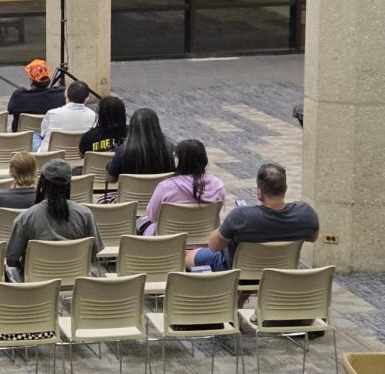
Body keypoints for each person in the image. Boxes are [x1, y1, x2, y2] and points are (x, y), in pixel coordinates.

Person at [187, 162, 318, 271]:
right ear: (285, 189)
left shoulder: (240, 217)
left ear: (259, 192)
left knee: (187, 256)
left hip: (237, 269)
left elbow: (214, 246)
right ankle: (241, 300)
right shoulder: (306, 214)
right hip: (281, 270)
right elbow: (313, 237)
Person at [5, 159, 102, 281]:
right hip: (75, 281)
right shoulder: (86, 214)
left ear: (42, 184)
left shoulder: (26, 218)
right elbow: (92, 255)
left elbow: (11, 260)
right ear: (68, 184)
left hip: (37, 286)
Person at [144, 139, 226, 235]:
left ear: (177, 161)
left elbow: (152, 215)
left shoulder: (165, 187)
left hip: (169, 240)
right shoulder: (218, 185)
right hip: (204, 239)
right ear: (205, 160)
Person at [107, 107, 174, 181]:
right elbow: (172, 175)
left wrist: (109, 166)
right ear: (156, 126)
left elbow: (111, 179)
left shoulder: (123, 150)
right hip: (160, 192)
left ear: (132, 127)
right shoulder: (169, 148)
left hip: (130, 192)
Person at [6, 58, 65, 132]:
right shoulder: (61, 94)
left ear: (31, 81)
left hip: (22, 138)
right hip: (50, 136)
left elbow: (10, 110)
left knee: (8, 129)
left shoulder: (19, 96)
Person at [36, 81, 95, 152]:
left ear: (66, 94)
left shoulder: (52, 113)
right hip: (79, 157)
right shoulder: (93, 116)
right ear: (87, 99)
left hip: (51, 156)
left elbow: (43, 132)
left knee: (34, 136)